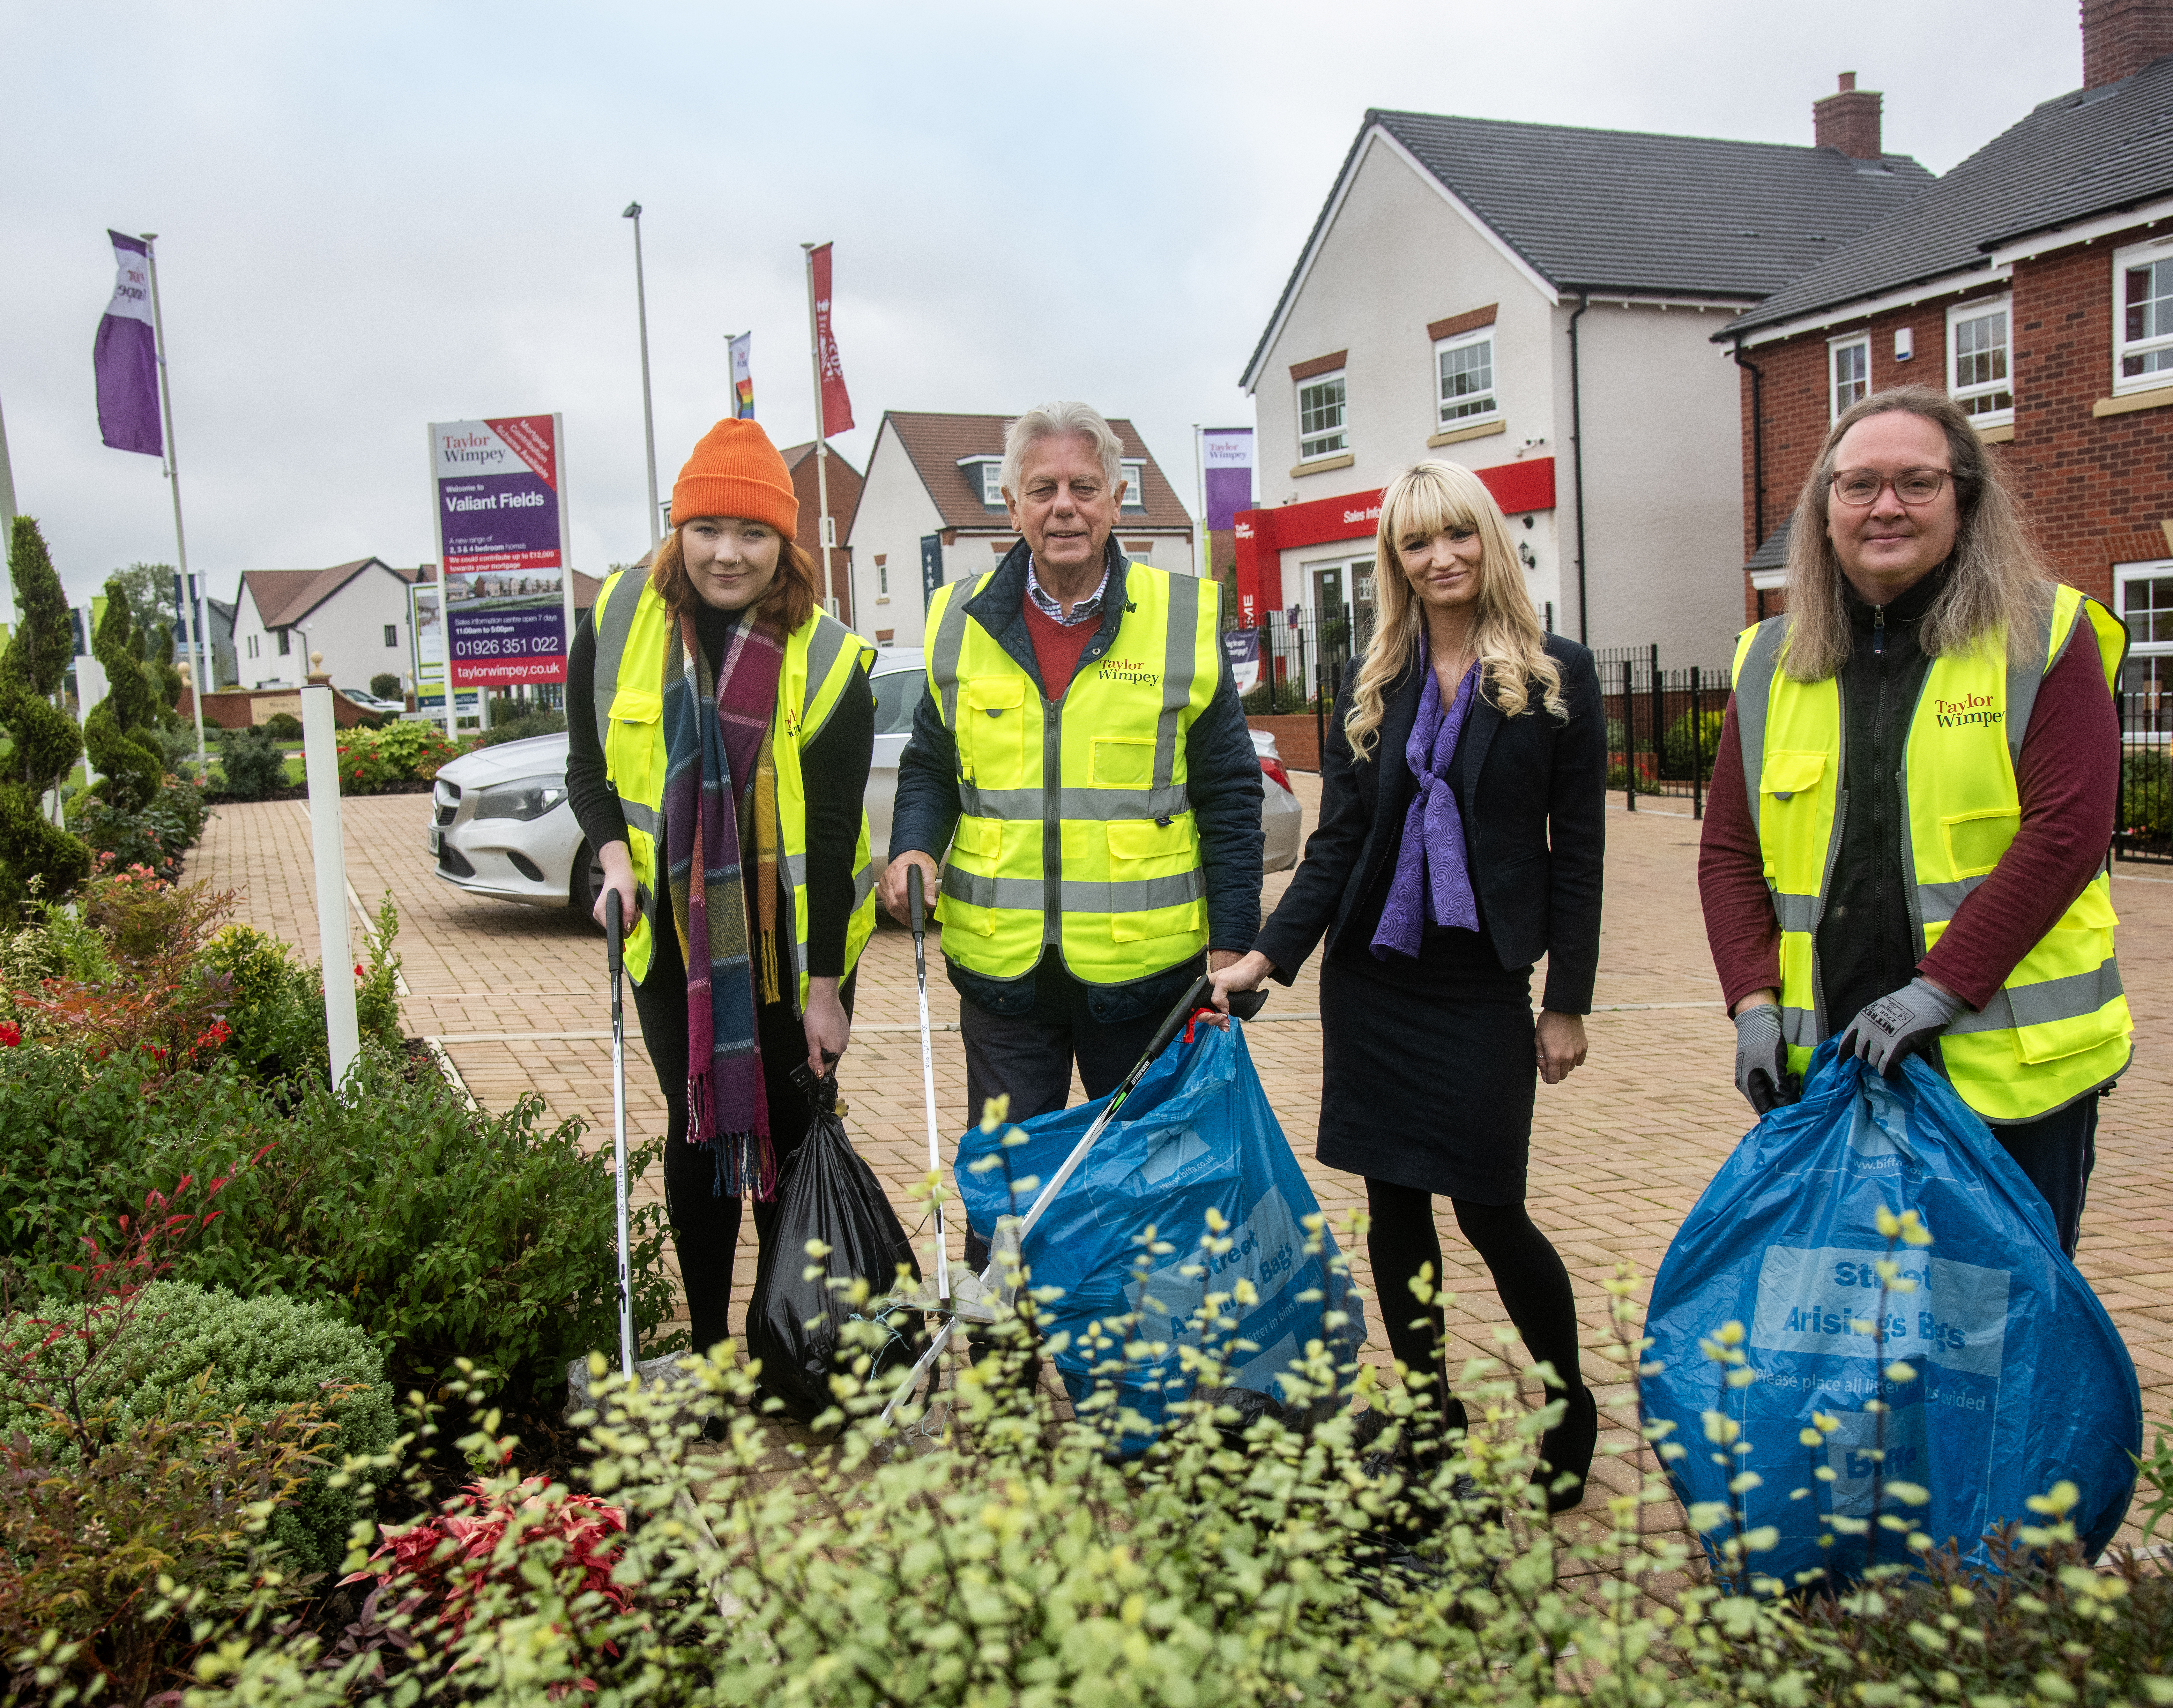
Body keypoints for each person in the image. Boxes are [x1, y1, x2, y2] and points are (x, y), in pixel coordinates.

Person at [1208, 459, 1606, 1511]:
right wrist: (1264, 955)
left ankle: (1567, 1405)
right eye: (1418, 542)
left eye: (1458, 535)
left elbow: (1581, 851)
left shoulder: (1554, 672)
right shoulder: (1373, 678)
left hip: (1481, 984)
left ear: (1490, 540)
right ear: (1396, 558)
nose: (1442, 558)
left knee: (1490, 1208)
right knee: (1393, 1212)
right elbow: (1338, 844)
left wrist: (1567, 997)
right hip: (1376, 982)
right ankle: (1430, 1414)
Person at [1699, 386, 2130, 1256]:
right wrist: (1751, 1002)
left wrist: (1936, 993)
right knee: (1850, 1335)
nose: (1885, 505)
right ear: (1824, 513)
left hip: (2007, 1078)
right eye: (1858, 485)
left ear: (1965, 502)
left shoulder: (2043, 635)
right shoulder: (1768, 661)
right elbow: (1729, 853)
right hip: (1832, 1069)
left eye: (1917, 483)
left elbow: (2066, 833)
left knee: (1995, 1338)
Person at [567, 418, 877, 1356]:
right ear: (679, 530)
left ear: (784, 544)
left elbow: (828, 841)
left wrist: (825, 993)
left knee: (789, 1139)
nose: (727, 554)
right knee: (697, 1131)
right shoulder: (616, 621)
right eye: (707, 529)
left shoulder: (828, 660)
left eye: (752, 534)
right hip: (671, 940)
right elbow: (591, 770)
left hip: (794, 951)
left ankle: (788, 1343)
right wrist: (612, 859)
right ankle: (707, 1351)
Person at [879, 401, 1265, 1151]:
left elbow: (1229, 794)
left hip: (1149, 980)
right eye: (1044, 488)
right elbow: (929, 765)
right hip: (1002, 982)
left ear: (1117, 500)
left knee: (1149, 1204)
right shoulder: (956, 621)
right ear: (1012, 503)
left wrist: (1232, 942)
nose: (1064, 507)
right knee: (1009, 1200)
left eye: (1085, 488)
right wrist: (914, 847)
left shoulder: (1179, 618)